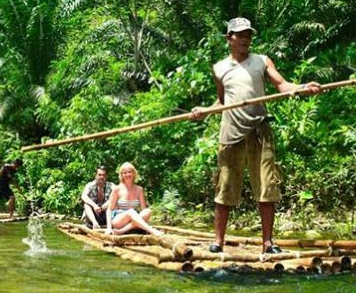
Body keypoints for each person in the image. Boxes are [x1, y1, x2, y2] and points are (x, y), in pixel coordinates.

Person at [190, 17, 321, 254]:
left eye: (248, 35)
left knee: (267, 186)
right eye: (240, 35)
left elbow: (281, 85)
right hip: (231, 134)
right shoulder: (219, 68)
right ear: (229, 38)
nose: (245, 40)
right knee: (225, 186)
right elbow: (222, 101)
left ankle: (267, 243)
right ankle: (218, 241)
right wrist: (203, 112)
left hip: (260, 130)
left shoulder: (261, 61)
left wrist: (301, 88)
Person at [106, 162, 163, 236]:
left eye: (129, 172)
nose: (127, 175)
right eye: (125, 173)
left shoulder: (139, 189)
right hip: (119, 219)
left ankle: (122, 231)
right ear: (121, 175)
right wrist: (109, 228)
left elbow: (143, 209)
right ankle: (152, 230)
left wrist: (145, 219)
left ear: (134, 173)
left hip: (134, 218)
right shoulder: (117, 189)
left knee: (148, 211)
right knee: (131, 211)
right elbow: (109, 209)